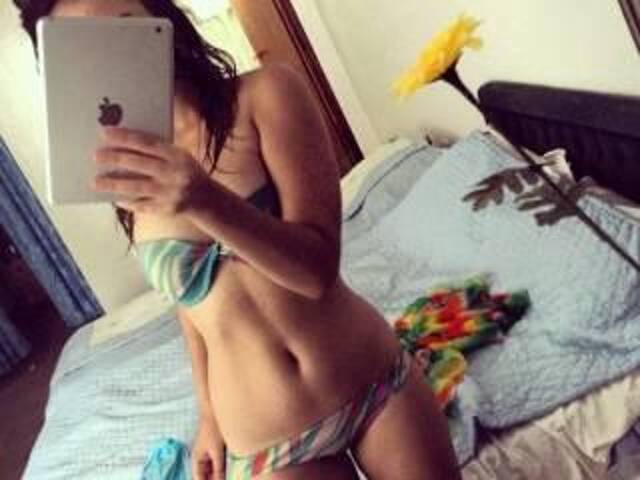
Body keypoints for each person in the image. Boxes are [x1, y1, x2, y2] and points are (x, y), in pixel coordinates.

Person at [16, 1, 461, 478]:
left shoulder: (266, 94)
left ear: (161, 20)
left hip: (372, 381)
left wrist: (203, 200)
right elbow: (193, 306)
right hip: (268, 440)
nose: (111, 56)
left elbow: (316, 271)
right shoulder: (124, 170)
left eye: (123, 28)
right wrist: (209, 418)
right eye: (86, 47)